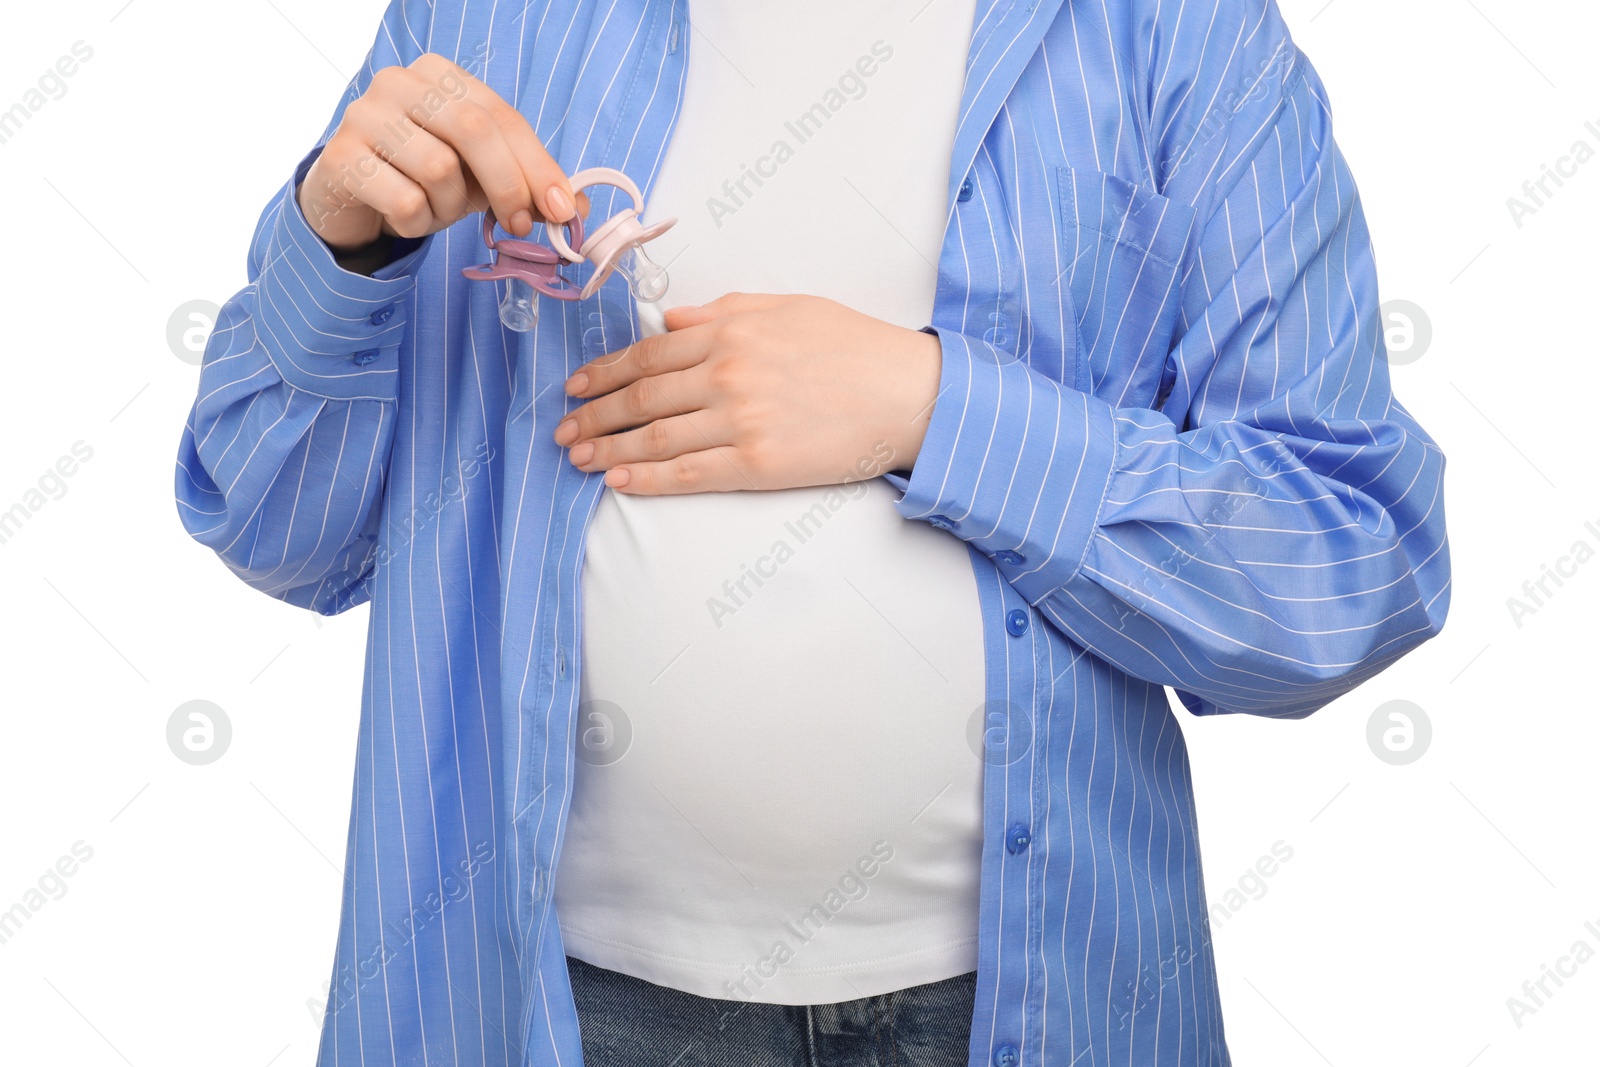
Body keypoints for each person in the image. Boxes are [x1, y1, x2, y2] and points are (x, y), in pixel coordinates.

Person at [173, 0, 1451, 1064]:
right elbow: (284, 527)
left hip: (1031, 1007)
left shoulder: (1181, 37)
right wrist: (336, 246)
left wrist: (929, 407)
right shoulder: (491, 20)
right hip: (546, 1003)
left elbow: (1345, 559)